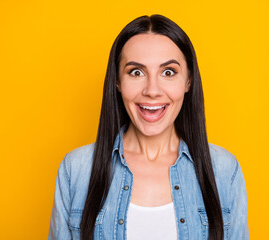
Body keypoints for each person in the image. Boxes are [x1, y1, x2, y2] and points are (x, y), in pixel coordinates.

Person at [48, 14, 248, 240]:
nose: (152, 90)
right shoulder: (75, 170)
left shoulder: (224, 170)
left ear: (188, 81)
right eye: (136, 72)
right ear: (117, 81)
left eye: (168, 72)